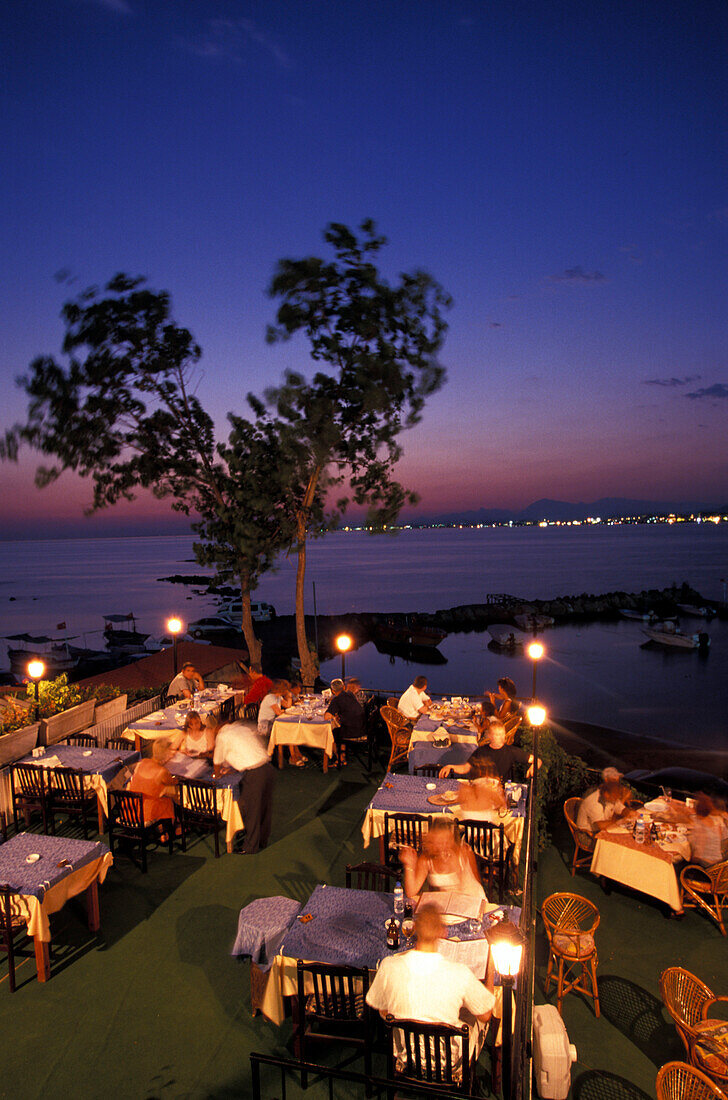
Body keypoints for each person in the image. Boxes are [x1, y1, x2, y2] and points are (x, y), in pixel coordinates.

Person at [365, 904, 495, 1067]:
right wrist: (491, 969)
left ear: (414, 929)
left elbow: (383, 1011)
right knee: (475, 1015)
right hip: (448, 1064)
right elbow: (486, 1014)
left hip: (407, 1059)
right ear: (443, 932)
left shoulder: (389, 965)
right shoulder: (460, 973)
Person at [211, 716, 276, 854]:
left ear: (216, 729)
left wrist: (217, 775)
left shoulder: (222, 736)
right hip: (267, 767)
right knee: (264, 808)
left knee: (250, 810)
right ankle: (262, 840)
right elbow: (242, 751)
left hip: (255, 773)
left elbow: (217, 761)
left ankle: (250, 846)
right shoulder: (239, 728)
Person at [399, 818, 486, 900]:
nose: (442, 846)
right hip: (446, 902)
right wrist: (409, 865)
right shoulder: (426, 859)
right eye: (437, 842)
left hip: (472, 898)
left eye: (445, 841)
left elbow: (476, 881)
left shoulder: (464, 852)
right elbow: (411, 892)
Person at [439, 722, 538, 783]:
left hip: (501, 790)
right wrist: (450, 766)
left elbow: (537, 760)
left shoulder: (511, 751)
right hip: (482, 790)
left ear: (504, 736)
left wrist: (533, 767)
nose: (499, 737)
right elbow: (466, 768)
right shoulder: (481, 750)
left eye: (501, 734)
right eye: (495, 734)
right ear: (489, 736)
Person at [127, 737, 179, 841]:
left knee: (162, 793)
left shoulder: (142, 762)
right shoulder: (162, 772)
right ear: (165, 754)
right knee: (171, 796)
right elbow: (173, 782)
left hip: (132, 809)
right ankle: (167, 830)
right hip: (146, 813)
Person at [258, 679, 307, 767]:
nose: (287, 691)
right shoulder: (270, 698)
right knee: (289, 730)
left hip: (274, 721)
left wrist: (289, 697)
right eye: (286, 689)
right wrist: (284, 710)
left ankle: (296, 754)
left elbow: (288, 706)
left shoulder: (278, 697)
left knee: (291, 729)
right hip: (265, 725)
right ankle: (293, 757)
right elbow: (278, 712)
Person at [324, 678, 365, 766]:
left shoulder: (336, 700)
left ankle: (339, 758)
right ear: (343, 688)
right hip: (362, 727)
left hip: (352, 732)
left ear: (332, 691)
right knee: (339, 728)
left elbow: (327, 717)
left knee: (332, 732)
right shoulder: (350, 694)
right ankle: (343, 755)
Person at [576, 768, 631, 833]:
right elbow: (601, 825)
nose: (617, 780)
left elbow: (621, 809)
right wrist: (620, 820)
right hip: (587, 833)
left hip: (602, 829)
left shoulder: (611, 794)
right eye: (614, 779)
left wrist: (629, 813)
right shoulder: (594, 801)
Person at [688, 793, 728, 867]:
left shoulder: (700, 826)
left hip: (708, 863)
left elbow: (697, 855)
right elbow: (722, 838)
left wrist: (690, 859)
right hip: (720, 860)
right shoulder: (717, 820)